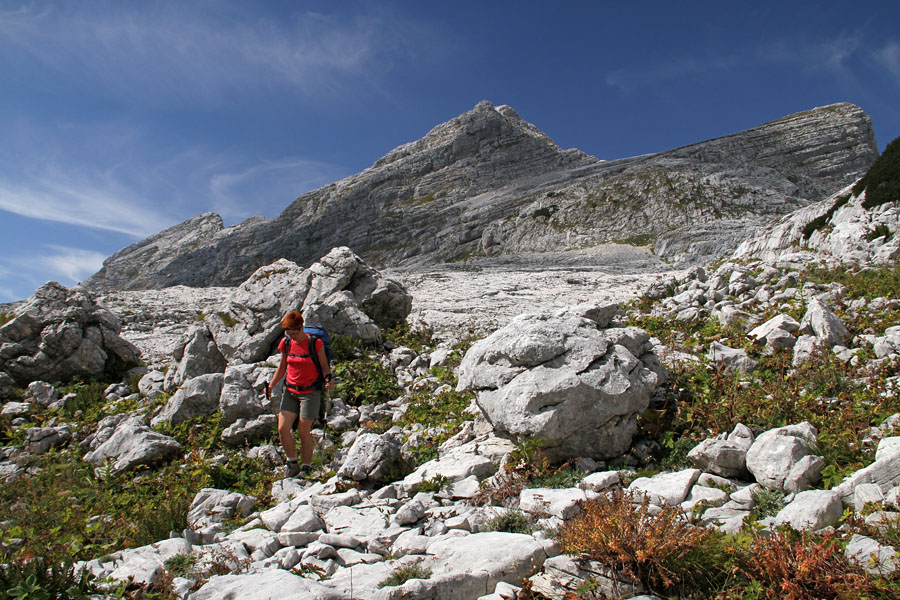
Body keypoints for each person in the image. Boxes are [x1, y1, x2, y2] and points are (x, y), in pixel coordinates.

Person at [267, 311, 334, 478]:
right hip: (290, 390)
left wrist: (328, 379)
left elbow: (324, 366)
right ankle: (292, 463)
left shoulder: (315, 343)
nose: (292, 337)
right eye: (289, 334)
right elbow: (282, 367)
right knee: (283, 428)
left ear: (301, 327)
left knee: (303, 429)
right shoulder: (286, 343)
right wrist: (271, 385)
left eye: (294, 333)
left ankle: (306, 467)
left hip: (310, 393)